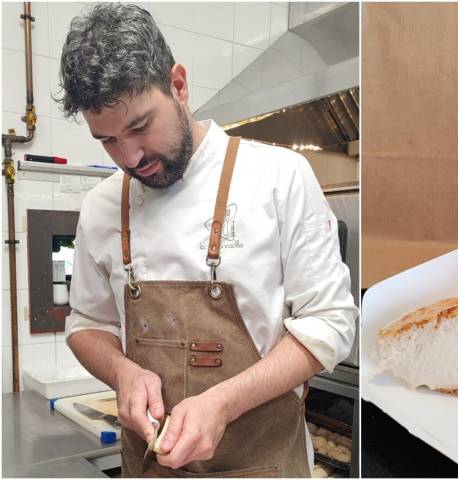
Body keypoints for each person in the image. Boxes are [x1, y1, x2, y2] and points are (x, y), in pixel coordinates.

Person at [56, 3, 357, 477]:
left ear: (178, 84)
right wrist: (123, 372)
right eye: (108, 141)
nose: (130, 157)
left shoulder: (278, 177)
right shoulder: (101, 207)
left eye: (139, 127)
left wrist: (222, 402)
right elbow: (86, 324)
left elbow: (331, 323)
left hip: (262, 465)